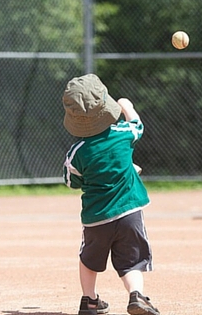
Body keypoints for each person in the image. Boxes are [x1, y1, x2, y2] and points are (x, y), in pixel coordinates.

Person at [62, 73, 160, 315]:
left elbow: (72, 181)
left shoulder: (78, 152)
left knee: (89, 259)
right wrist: (129, 108)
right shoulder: (123, 133)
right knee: (132, 260)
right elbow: (139, 127)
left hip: (96, 218)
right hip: (129, 212)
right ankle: (136, 296)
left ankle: (90, 300)